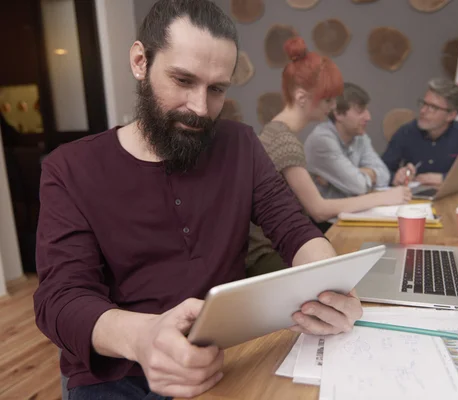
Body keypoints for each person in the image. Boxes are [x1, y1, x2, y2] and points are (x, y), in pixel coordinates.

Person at [33, 1, 363, 399]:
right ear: (140, 61)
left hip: (220, 353)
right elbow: (61, 297)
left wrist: (331, 286)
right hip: (116, 371)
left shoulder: (240, 145)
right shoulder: (70, 167)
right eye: (183, 80)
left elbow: (294, 229)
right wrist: (143, 337)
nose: (200, 108)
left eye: (217, 89)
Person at [246, 37, 411, 277]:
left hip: (278, 245)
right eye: (327, 99)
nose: (333, 106)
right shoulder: (284, 141)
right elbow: (319, 210)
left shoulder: (277, 133)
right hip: (269, 253)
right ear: (302, 97)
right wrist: (385, 197)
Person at [382, 78, 458, 188]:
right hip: (413, 201)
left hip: (452, 201)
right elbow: (381, 169)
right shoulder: (406, 132)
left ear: (451, 115)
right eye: (424, 103)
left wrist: (446, 178)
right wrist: (396, 177)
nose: (423, 111)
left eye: (433, 107)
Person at [304, 82, 390, 199]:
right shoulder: (322, 140)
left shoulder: (361, 137)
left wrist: (349, 175)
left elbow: (385, 175)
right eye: (360, 111)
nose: (368, 117)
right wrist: (361, 177)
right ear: (338, 114)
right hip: (323, 215)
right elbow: (358, 186)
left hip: (350, 211)